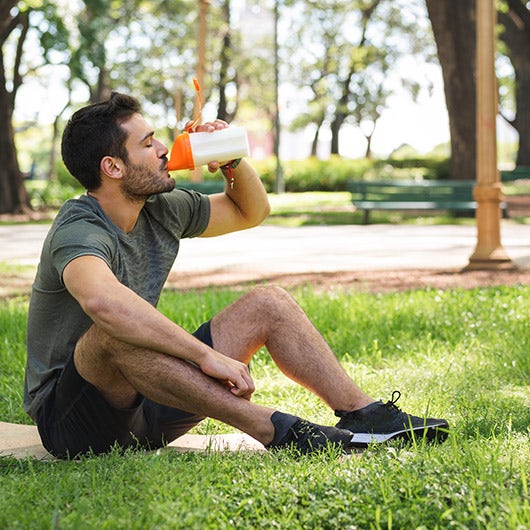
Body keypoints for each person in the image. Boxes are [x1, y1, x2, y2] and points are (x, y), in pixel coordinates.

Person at [24, 93, 449, 459]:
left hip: (150, 402)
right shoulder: (79, 230)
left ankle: (365, 414)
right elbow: (105, 304)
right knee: (111, 332)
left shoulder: (161, 208)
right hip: (75, 422)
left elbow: (251, 211)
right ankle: (277, 430)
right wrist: (204, 355)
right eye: (148, 143)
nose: (163, 150)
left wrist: (231, 159)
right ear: (113, 167)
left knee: (268, 303)